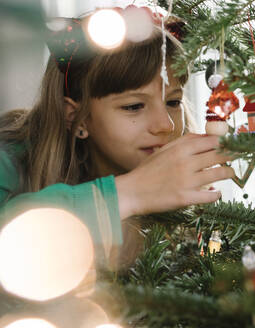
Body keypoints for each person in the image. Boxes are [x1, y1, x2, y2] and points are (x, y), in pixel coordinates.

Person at [0, 7, 235, 268]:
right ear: (75, 118)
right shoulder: (10, 161)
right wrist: (131, 193)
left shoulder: (198, 219)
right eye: (134, 106)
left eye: (173, 101)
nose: (165, 125)